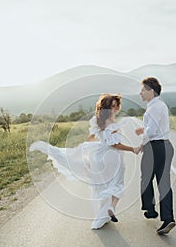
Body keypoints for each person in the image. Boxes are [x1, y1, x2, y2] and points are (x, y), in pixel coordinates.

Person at [30, 93, 141, 230]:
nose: (115, 108)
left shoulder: (97, 121)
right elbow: (115, 145)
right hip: (113, 158)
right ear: (113, 108)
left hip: (98, 156)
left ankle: (103, 216)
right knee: (117, 183)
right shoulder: (113, 125)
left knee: (101, 186)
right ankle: (111, 207)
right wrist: (133, 149)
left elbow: (91, 137)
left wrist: (83, 150)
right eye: (114, 106)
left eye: (116, 105)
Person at [135, 77, 176, 235]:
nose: (140, 93)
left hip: (154, 147)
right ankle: (168, 218)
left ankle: (150, 210)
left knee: (145, 179)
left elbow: (151, 132)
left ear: (151, 91)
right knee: (163, 182)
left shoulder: (153, 108)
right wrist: (143, 128)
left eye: (143, 90)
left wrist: (140, 144)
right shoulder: (160, 105)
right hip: (165, 146)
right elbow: (153, 127)